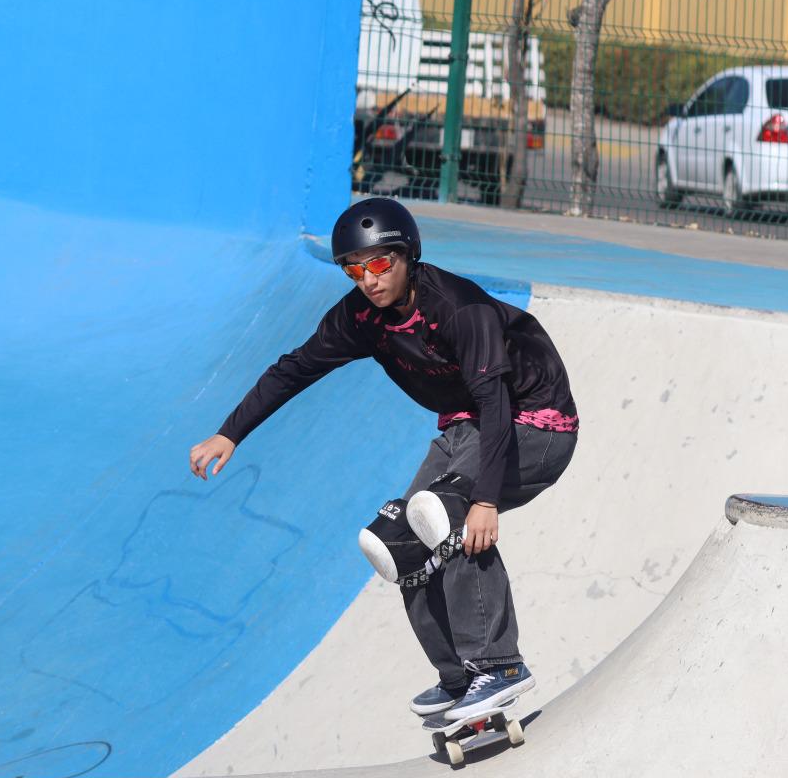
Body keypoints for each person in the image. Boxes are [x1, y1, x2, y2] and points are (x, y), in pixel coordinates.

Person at [188, 198, 578, 724]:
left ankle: (499, 665)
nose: (368, 280)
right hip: (466, 425)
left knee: (448, 514)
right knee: (397, 542)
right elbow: (294, 369)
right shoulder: (360, 317)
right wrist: (229, 433)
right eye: (354, 269)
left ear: (406, 256)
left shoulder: (460, 308)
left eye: (378, 264)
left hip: (535, 421)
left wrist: (484, 500)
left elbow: (494, 400)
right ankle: (460, 677)